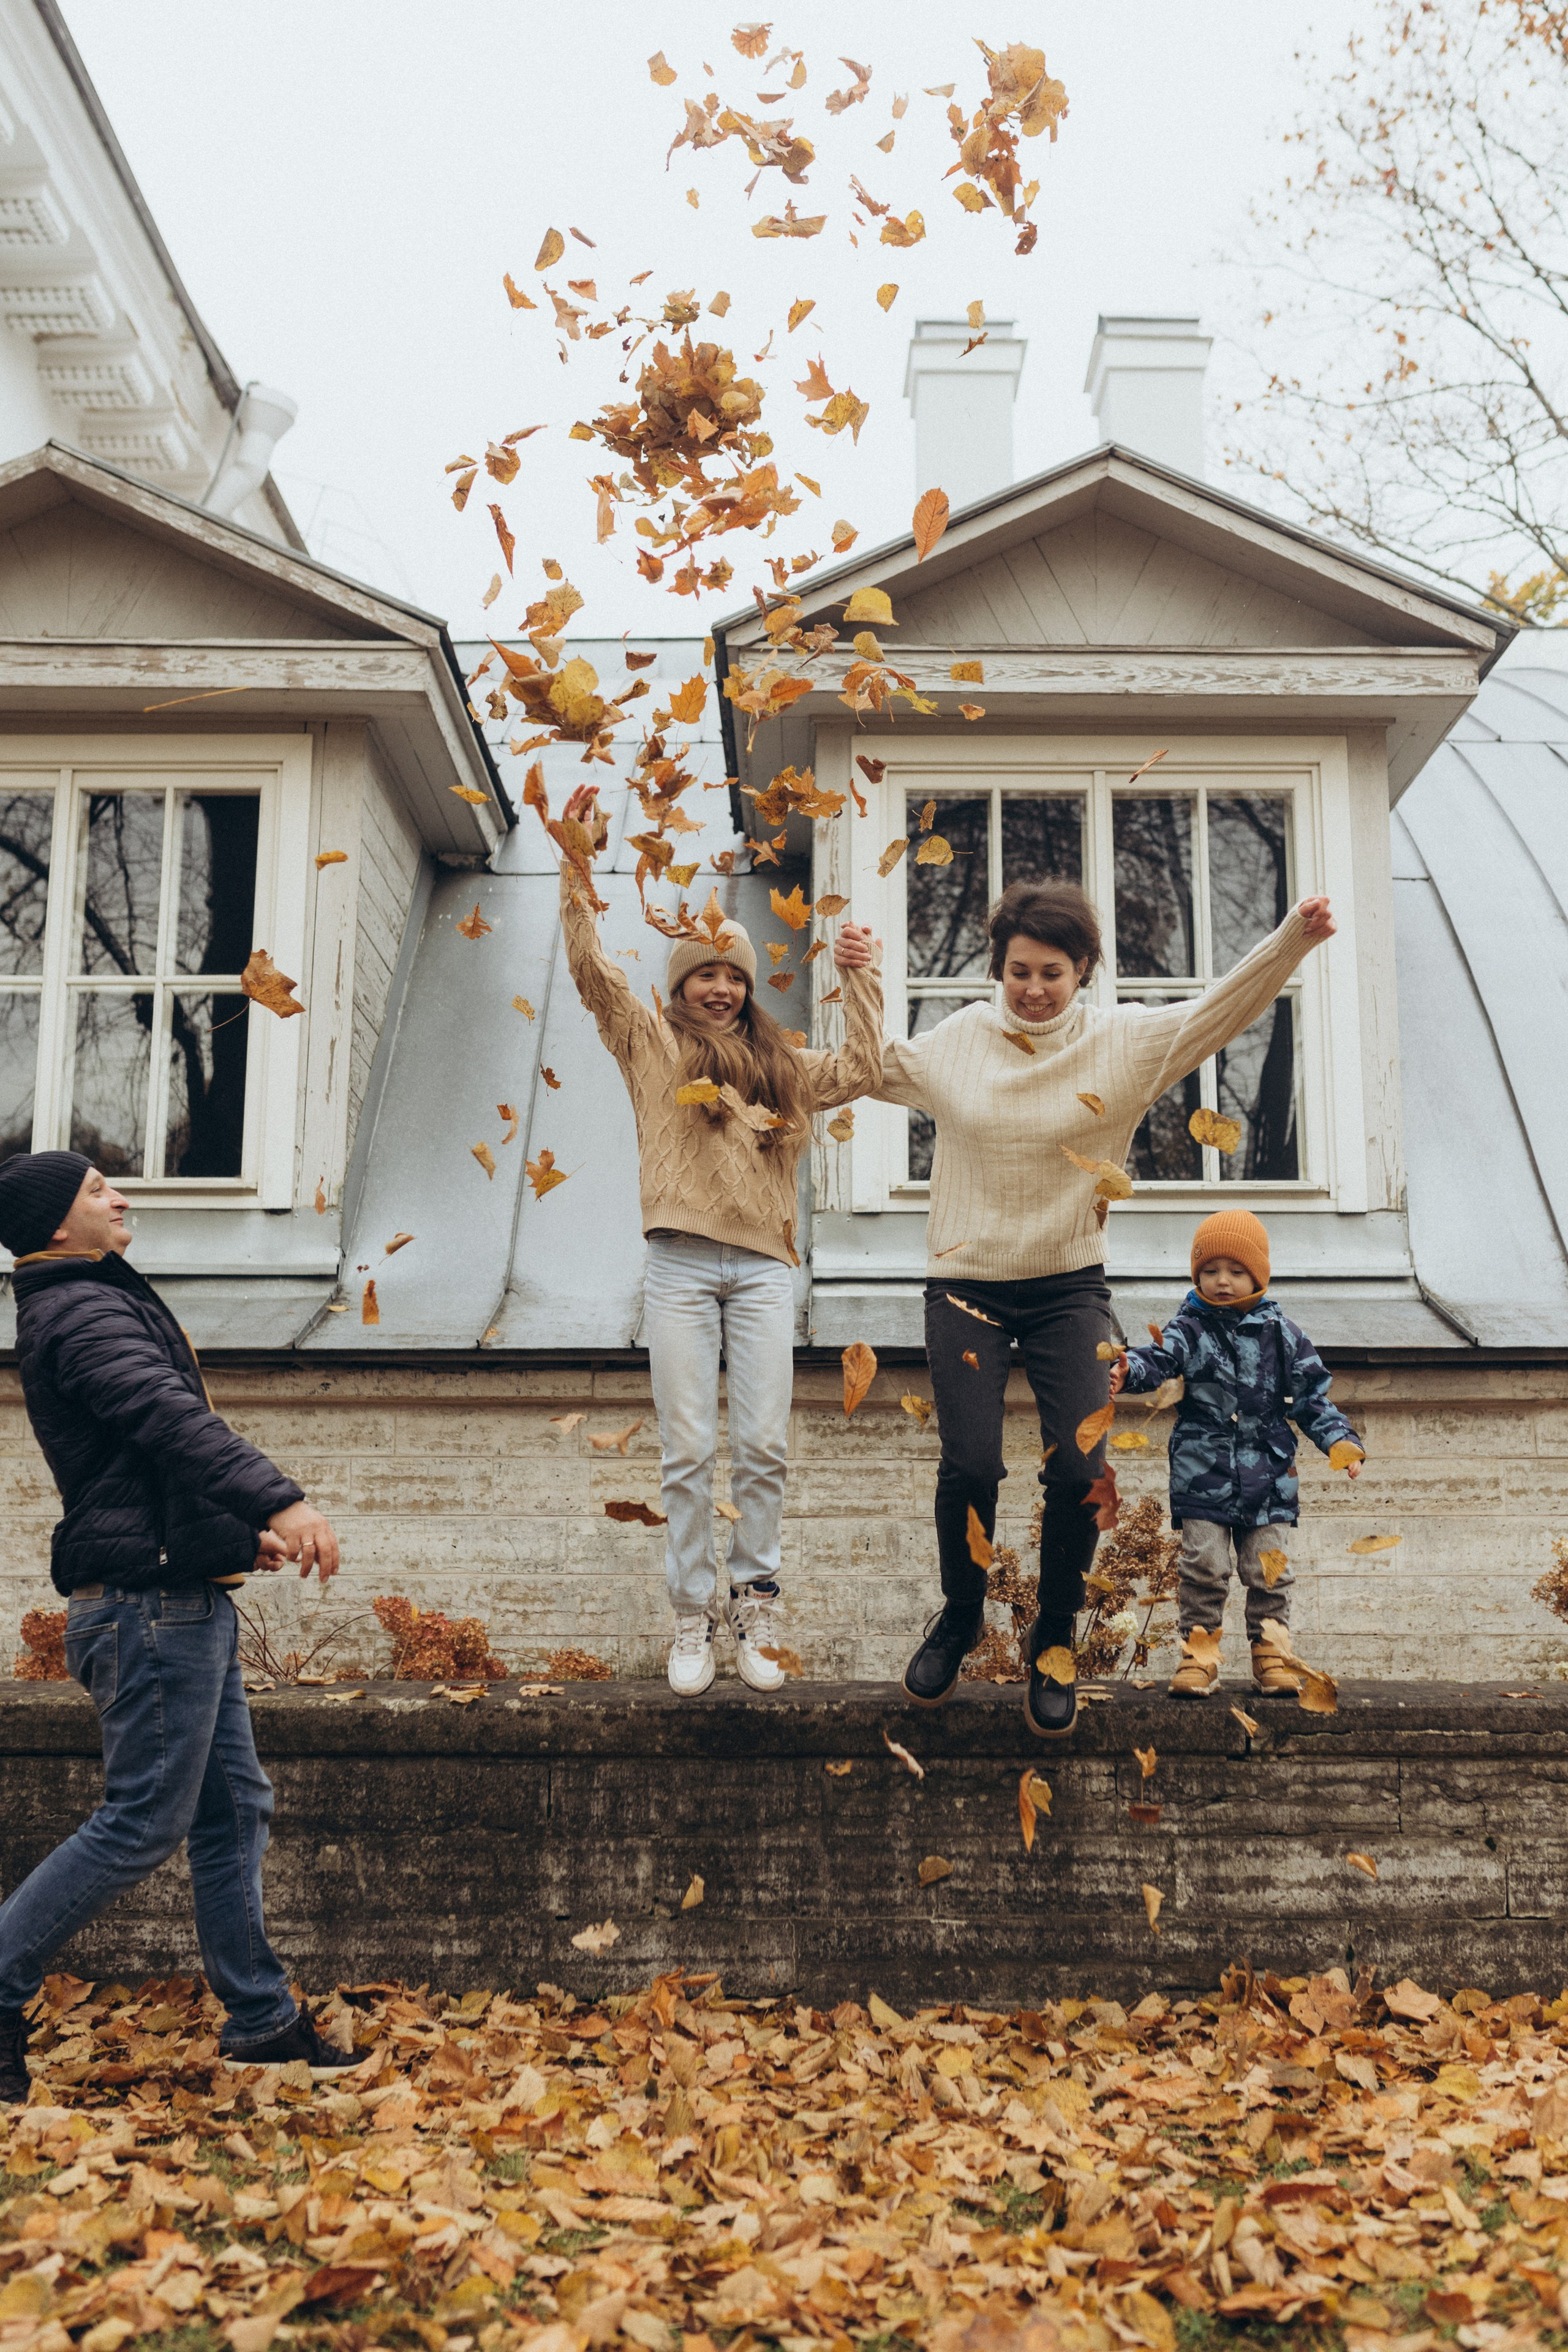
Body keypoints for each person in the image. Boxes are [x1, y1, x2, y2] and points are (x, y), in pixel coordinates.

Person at [875, 876, 1336, 1739]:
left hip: (1068, 1287)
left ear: (1082, 970)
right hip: (966, 1284)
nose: (1033, 989)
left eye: (1051, 973)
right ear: (998, 968)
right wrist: (848, 983)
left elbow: (1215, 1015)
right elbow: (864, 1067)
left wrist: (1290, 942)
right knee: (971, 1465)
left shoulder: (1121, 1043)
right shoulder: (958, 1042)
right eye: (1018, 971)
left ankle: (1053, 1636)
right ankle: (961, 1614)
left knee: (1080, 1471)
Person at [0, 1152, 352, 2105]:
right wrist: (279, 1501)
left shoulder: (88, 1297)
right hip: (148, 1611)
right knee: (142, 1822)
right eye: (96, 1189)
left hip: (173, 1596)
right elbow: (167, 1422)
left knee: (232, 1809)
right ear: (56, 1225)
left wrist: (233, 1536)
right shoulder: (82, 1312)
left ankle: (261, 2022)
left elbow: (137, 1474)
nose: (121, 1195)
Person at [558, 785, 883, 1695]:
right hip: (680, 1266)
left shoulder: (783, 1066)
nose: (720, 986)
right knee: (690, 1450)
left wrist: (860, 977)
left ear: (748, 986)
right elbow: (592, 975)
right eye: (703, 973)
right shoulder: (648, 1044)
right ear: (679, 987)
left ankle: (757, 1603)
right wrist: (577, 869)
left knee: (764, 1446)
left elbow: (861, 1069)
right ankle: (692, 1612)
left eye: (733, 974)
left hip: (765, 1271)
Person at [1111, 1207, 1363, 1697]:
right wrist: (1129, 1370)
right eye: (1210, 1270)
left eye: (1235, 1271)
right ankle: (1199, 1657)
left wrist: (1341, 1443)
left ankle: (1271, 1654)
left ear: (1258, 1276)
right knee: (1204, 1566)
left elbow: (1313, 1398)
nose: (1222, 1281)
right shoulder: (1189, 1328)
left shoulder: (1283, 1334)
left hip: (1269, 1473)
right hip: (1202, 1471)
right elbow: (1158, 1358)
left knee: (1269, 1571)